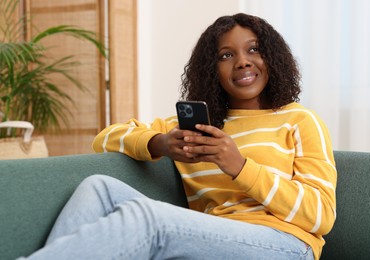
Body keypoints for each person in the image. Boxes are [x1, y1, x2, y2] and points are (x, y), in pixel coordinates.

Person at [21, 13, 336, 260]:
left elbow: (320, 217)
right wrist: (160, 143)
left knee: (148, 218)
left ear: (272, 58)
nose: (242, 61)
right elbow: (104, 138)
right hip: (213, 239)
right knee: (98, 188)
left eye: (254, 49)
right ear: (212, 69)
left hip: (286, 246)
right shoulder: (193, 127)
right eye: (225, 55)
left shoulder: (300, 120)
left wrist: (240, 166)